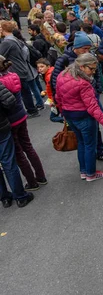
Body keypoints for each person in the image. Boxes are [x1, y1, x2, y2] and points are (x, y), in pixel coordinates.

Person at [55, 54, 103, 182]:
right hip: (84, 118)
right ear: (82, 67)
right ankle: (91, 174)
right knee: (90, 145)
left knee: (81, 143)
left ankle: (84, 171)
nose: (93, 72)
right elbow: (93, 107)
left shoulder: (62, 75)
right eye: (91, 69)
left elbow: (58, 98)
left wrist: (64, 113)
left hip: (70, 116)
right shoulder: (83, 83)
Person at [0, 56, 47, 191]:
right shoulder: (14, 76)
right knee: (28, 146)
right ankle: (41, 176)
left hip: (10, 121)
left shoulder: (1, 82)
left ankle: (32, 182)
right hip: (21, 115)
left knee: (18, 153)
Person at [0, 80, 33, 208]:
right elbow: (9, 101)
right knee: (8, 162)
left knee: (7, 161)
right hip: (1, 128)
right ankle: (20, 196)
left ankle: (5, 198)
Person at [0, 20, 42, 116]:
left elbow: (1, 57)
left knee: (22, 93)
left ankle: (31, 110)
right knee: (25, 91)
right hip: (22, 68)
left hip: (16, 70)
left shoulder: (7, 42)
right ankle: (32, 110)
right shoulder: (15, 39)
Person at [36, 58, 63, 122]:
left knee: (53, 117)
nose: (40, 69)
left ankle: (67, 122)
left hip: (56, 100)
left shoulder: (48, 76)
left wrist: (53, 100)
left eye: (42, 66)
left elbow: (55, 89)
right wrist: (46, 92)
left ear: (48, 66)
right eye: (38, 67)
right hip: (56, 99)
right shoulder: (52, 72)